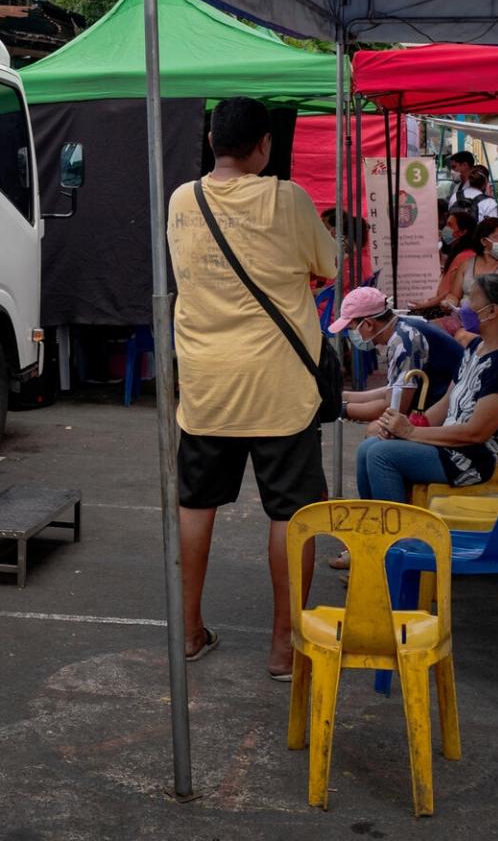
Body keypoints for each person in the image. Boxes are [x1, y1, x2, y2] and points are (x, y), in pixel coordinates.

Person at [167, 97, 336, 680]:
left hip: (206, 383)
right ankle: (283, 647)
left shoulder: (182, 200)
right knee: (292, 511)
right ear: (264, 145)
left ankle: (188, 632)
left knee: (196, 503)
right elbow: (330, 265)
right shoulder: (288, 199)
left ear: (213, 140)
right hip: (278, 388)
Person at [352, 273, 498, 503]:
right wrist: (406, 427)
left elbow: (476, 433)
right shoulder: (476, 347)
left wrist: (410, 433)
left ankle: (401, 536)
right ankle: (378, 527)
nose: (462, 305)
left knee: (381, 456)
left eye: (471, 298)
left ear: (492, 311)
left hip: (480, 458)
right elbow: (447, 403)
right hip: (455, 446)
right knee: (368, 447)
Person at [334, 287, 468, 422]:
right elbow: (393, 391)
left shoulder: (404, 341)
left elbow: (395, 408)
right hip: (446, 403)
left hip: (456, 412)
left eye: (351, 329)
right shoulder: (402, 327)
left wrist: (342, 410)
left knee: (375, 431)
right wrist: (345, 397)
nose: (353, 335)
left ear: (368, 324)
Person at [408, 208, 483, 323]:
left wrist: (425, 305)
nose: (445, 229)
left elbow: (448, 293)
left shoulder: (464, 256)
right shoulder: (460, 253)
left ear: (462, 232)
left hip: (446, 310)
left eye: (450, 225)